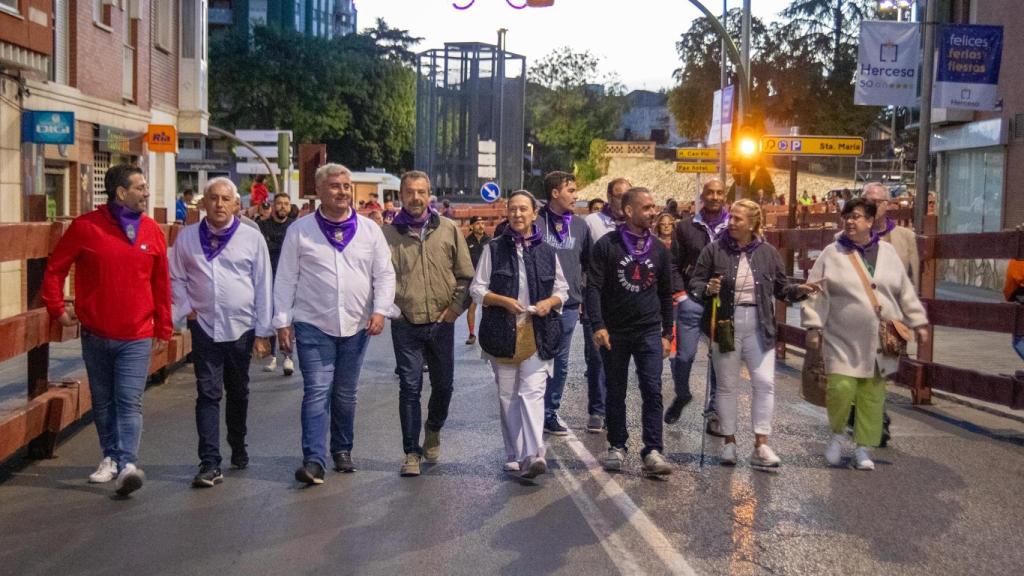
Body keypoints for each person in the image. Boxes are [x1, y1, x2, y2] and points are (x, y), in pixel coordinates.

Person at [41, 164, 172, 496]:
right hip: (96, 333)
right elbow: (55, 270)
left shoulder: (152, 231)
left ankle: (127, 464)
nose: (147, 193)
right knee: (102, 402)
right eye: (140, 187)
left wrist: (164, 326)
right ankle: (110, 457)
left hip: (137, 334)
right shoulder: (86, 227)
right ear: (121, 193)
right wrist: (57, 310)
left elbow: (161, 283)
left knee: (129, 401)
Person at [273, 163, 395, 485]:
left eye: (345, 185)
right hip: (313, 323)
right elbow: (285, 278)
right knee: (316, 391)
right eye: (334, 186)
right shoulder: (300, 231)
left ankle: (342, 449)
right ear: (318, 191)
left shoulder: (369, 230)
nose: (342, 191)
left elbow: (384, 274)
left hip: (356, 325)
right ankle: (314, 460)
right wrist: (282, 321)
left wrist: (380, 310)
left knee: (345, 392)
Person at [802, 198, 928, 470]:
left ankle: (863, 448)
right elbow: (815, 291)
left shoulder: (888, 253)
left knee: (872, 395)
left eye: (856, 216)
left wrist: (918, 322)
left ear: (870, 222)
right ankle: (837, 435)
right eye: (846, 216)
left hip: (879, 339)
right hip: (841, 337)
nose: (850, 221)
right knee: (841, 387)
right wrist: (813, 325)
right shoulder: (831, 253)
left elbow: (905, 290)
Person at [690, 199, 817, 467]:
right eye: (731, 217)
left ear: (752, 223)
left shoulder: (768, 253)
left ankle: (761, 445)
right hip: (726, 324)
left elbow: (781, 288)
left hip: (760, 324)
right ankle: (729, 442)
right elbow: (696, 283)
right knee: (727, 385)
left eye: (738, 219)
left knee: (764, 382)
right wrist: (707, 288)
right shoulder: (714, 250)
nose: (732, 223)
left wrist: (799, 291)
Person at [170, 178, 273, 488]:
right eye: (213, 198)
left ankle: (237, 443)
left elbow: (263, 284)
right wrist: (186, 307)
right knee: (208, 392)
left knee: (238, 391)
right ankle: (209, 462)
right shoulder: (187, 237)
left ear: (236, 204)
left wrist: (263, 332)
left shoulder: (251, 238)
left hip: (242, 327)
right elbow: (175, 277)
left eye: (225, 199)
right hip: (204, 325)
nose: (218, 204)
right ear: (203, 203)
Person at [471, 190, 568, 477]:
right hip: (502, 332)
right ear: (507, 213)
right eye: (513, 209)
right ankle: (515, 453)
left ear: (534, 214)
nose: (517, 214)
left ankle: (533, 454)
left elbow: (562, 290)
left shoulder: (547, 251)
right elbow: (477, 289)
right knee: (508, 397)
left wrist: (549, 303)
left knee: (532, 393)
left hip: (538, 332)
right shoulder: (494, 249)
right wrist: (502, 301)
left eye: (523, 209)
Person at [384, 171, 475, 477]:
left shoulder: (448, 229)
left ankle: (433, 428)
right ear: (401, 195)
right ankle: (411, 452)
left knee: (444, 385)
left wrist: (454, 309)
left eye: (421, 192)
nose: (416, 198)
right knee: (409, 388)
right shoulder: (387, 234)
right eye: (410, 192)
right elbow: (378, 277)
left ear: (429, 194)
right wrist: (393, 308)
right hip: (405, 323)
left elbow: (466, 276)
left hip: (441, 322)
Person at [587, 187, 674, 476]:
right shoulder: (607, 245)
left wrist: (667, 334)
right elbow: (593, 288)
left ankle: (653, 450)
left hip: (649, 331)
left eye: (653, 207)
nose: (653, 212)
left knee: (652, 389)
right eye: (646, 207)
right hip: (615, 332)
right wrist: (598, 325)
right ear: (628, 211)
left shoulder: (659, 249)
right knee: (615, 390)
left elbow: (666, 294)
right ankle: (617, 445)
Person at [665, 179, 727, 428]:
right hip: (692, 299)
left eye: (719, 193)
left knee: (722, 357)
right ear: (702, 196)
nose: (715, 197)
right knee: (684, 356)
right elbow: (673, 264)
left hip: (724, 303)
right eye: (710, 192)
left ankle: (714, 410)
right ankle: (682, 394)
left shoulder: (733, 226)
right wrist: (680, 294)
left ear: (724, 196)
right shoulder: (685, 227)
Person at [536, 171, 593, 436]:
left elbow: (588, 264)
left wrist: (581, 291)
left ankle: (550, 412)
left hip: (568, 306)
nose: (576, 196)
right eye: (571, 190)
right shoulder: (535, 223)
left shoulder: (580, 226)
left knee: (560, 362)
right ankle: (532, 409)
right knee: (535, 359)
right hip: (536, 305)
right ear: (555, 193)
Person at [580, 178, 630, 433]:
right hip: (596, 298)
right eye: (619, 195)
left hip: (625, 301)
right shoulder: (592, 222)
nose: (624, 200)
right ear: (609, 197)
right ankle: (597, 410)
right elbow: (581, 260)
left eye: (628, 195)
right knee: (597, 357)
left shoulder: (636, 224)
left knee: (619, 360)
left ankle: (614, 409)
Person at [259, 193, 298, 376]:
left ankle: (288, 356)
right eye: (279, 203)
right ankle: (272, 356)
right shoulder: (262, 226)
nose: (283, 206)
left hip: (289, 278)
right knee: (270, 314)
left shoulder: (294, 227)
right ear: (273, 205)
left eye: (286, 204)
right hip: (268, 276)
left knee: (287, 318)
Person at [465, 216, 492, 345]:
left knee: (489, 307)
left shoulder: (490, 241)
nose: (481, 226)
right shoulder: (466, 242)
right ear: (471, 226)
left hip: (488, 279)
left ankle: (490, 333)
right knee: (472, 307)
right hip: (473, 280)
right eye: (478, 223)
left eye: (483, 223)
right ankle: (472, 334)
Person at [1005, 259, 1024, 361]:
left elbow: (1012, 278)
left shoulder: (1017, 258)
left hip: (1021, 294)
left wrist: (1009, 297)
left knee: (1018, 340)